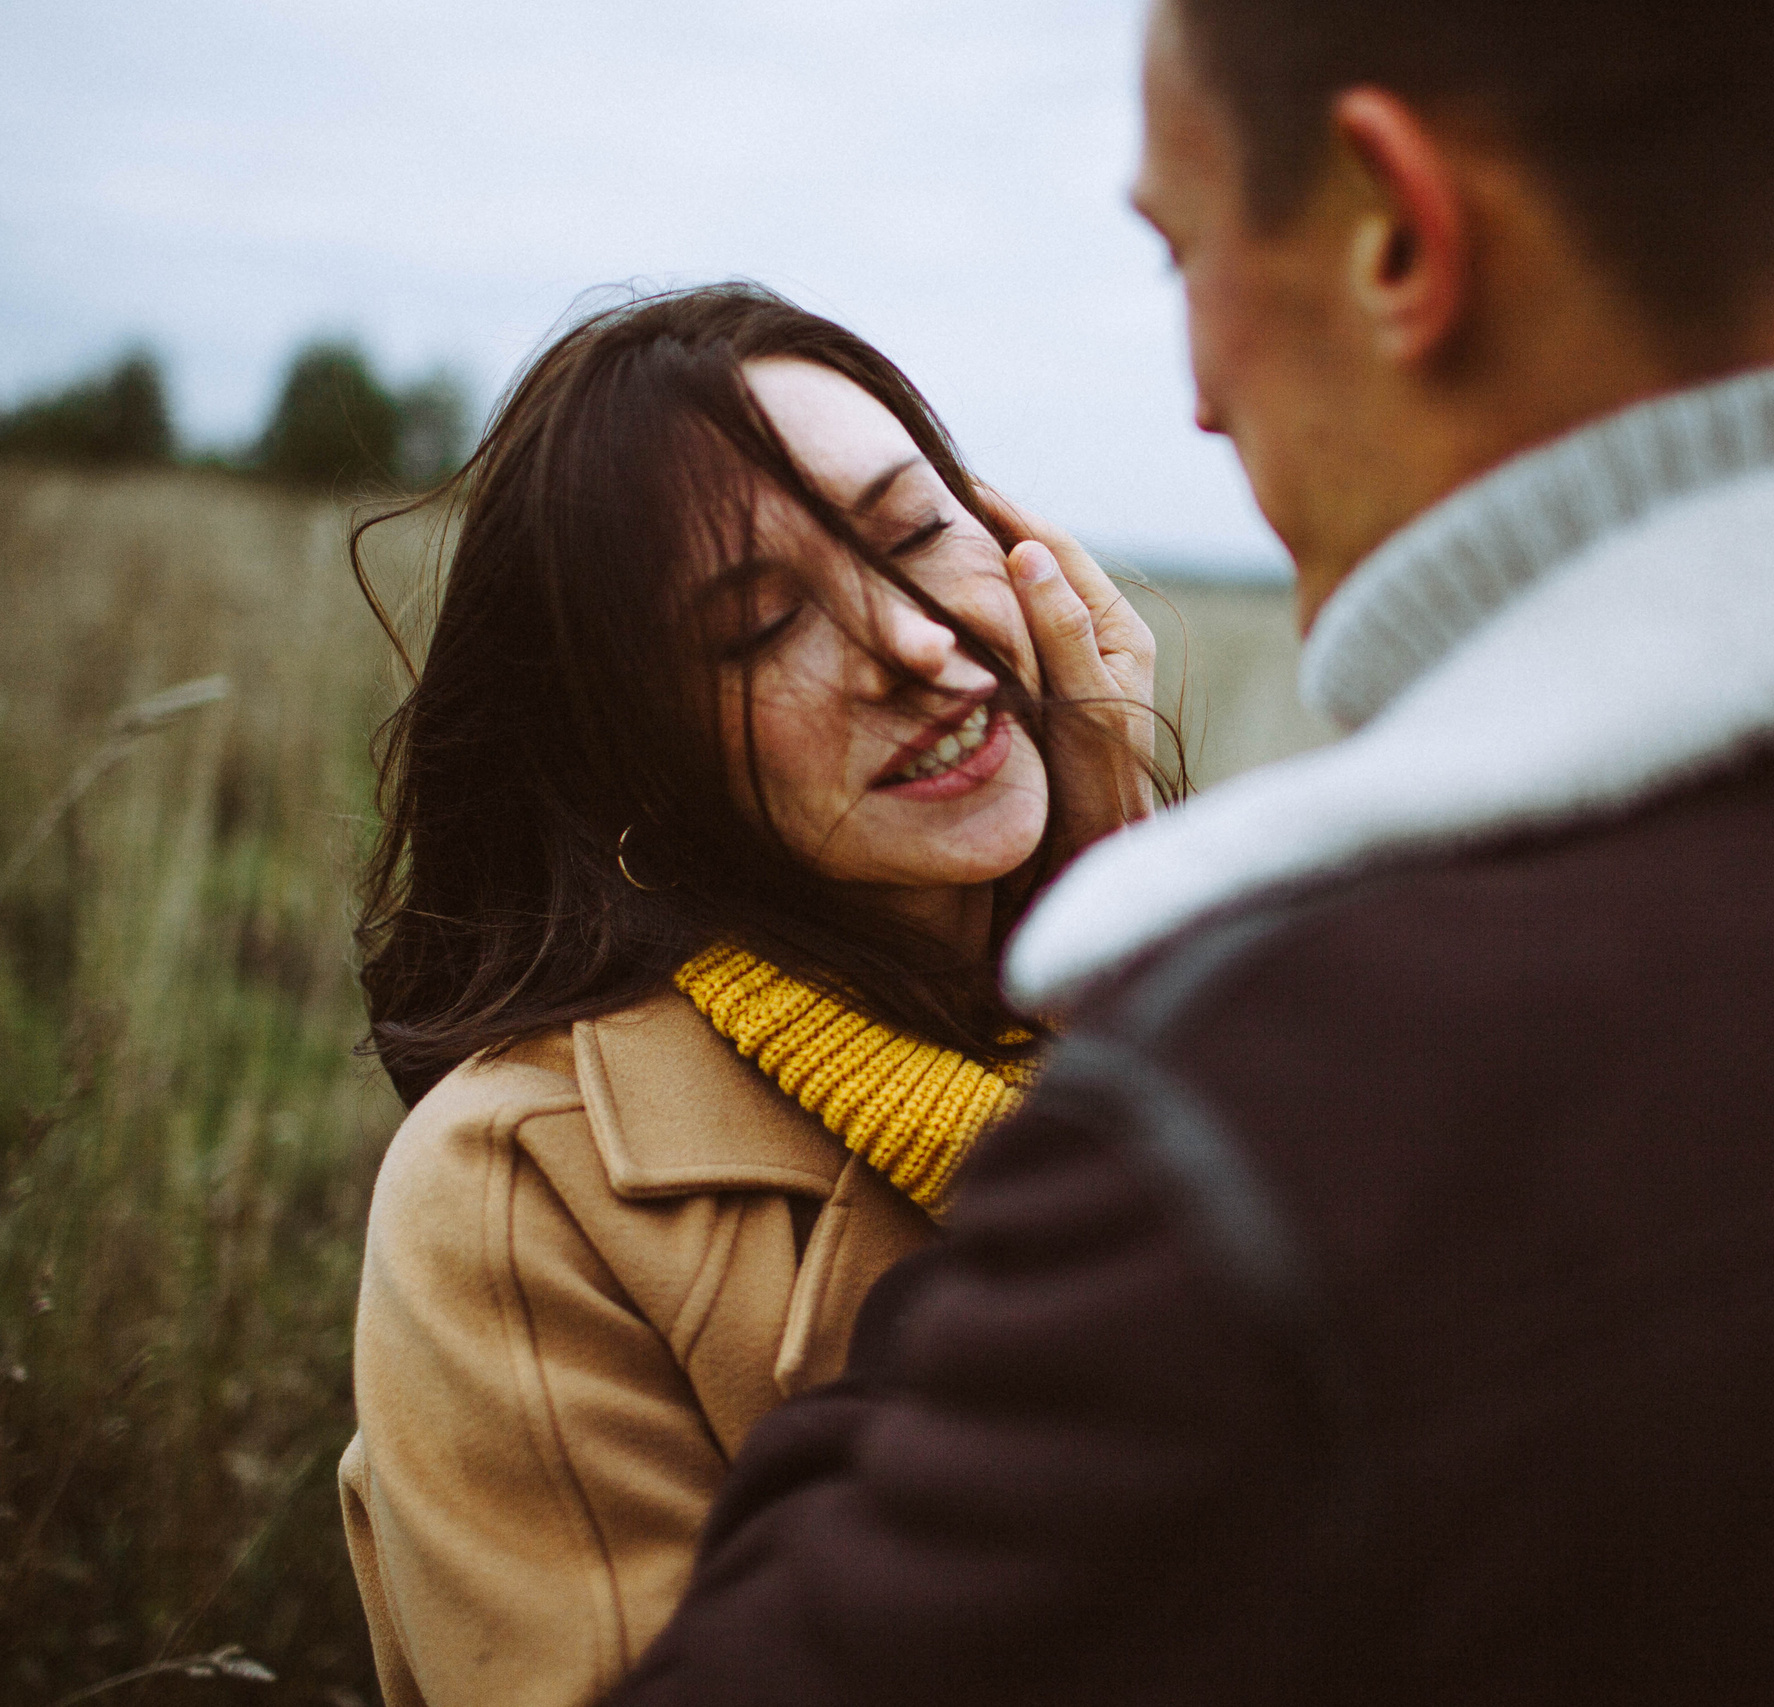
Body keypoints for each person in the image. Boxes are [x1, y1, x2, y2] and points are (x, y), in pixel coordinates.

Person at [605, 2, 1774, 1702]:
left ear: (1401, 236)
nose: (1193, 399)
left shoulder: (1280, 1107)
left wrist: (1127, 1012)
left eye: (1185, 247)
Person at [333, 284, 1162, 1707]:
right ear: (630, 754)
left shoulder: (1206, 999)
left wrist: (1145, 951)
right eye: (761, 630)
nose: (913, 643)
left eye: (914, 533)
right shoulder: (518, 1190)